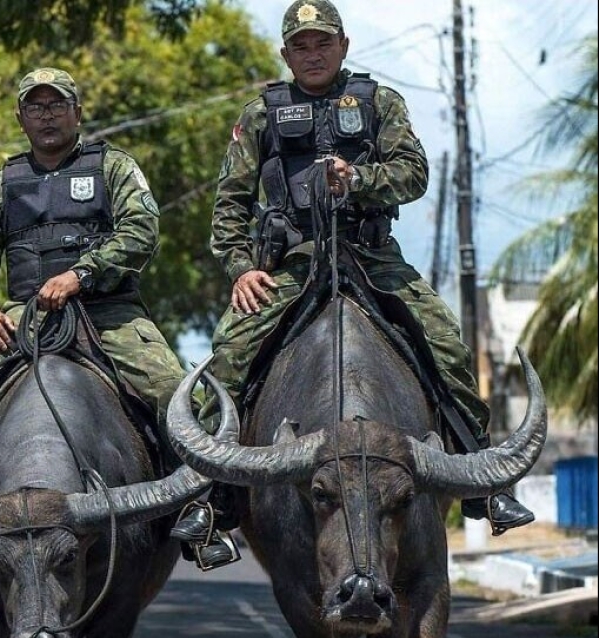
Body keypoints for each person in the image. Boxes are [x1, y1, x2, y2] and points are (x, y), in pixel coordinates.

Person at [170, 0, 534, 545]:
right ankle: (212, 495)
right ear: (286, 54)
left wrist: (357, 179)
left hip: (371, 257)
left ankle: (484, 482)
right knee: (228, 358)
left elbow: (414, 174)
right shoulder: (259, 115)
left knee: (447, 345)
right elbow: (229, 207)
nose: (312, 54)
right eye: (301, 46)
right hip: (291, 263)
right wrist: (243, 270)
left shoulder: (379, 102)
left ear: (343, 45)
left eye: (322, 43)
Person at [0, 67, 234, 569]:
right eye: (35, 106)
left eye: (56, 105)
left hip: (107, 311)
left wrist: (82, 275)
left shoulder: (114, 168)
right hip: (23, 315)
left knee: (170, 389)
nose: (46, 115)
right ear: (21, 117)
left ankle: (206, 511)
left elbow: (141, 232)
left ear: (77, 112)